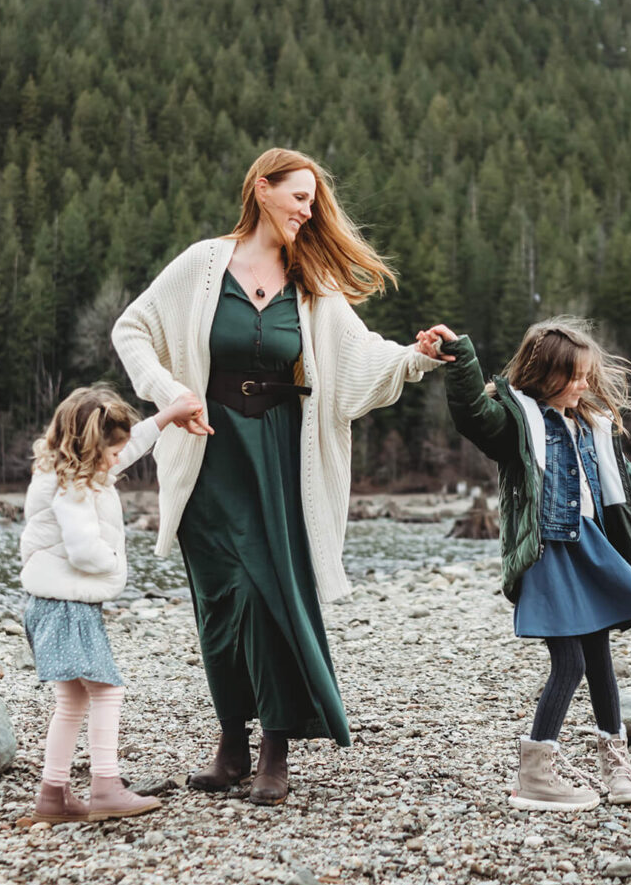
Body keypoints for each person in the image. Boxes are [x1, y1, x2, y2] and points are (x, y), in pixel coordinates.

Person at [111, 148, 451, 806]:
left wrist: (418, 357)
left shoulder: (311, 282)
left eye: (313, 202)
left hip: (280, 457)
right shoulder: (202, 263)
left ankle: (275, 747)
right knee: (220, 602)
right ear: (261, 189)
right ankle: (231, 743)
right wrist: (171, 393)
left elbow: (361, 362)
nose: (308, 210)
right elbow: (133, 329)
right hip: (209, 456)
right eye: (299, 196)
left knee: (270, 597)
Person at [437, 317, 631, 811]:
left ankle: (616, 760)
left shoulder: (592, 428)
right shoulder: (517, 424)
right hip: (548, 554)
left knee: (600, 657)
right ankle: (536, 772)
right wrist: (461, 357)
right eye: (575, 376)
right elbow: (473, 414)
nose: (585, 384)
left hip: (593, 549)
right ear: (545, 376)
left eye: (587, 375)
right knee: (571, 661)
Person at [19, 383, 205, 822]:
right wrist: (114, 566)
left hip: (52, 603)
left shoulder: (71, 471)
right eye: (112, 452)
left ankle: (54, 795)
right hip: (68, 606)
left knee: (72, 701)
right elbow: (83, 550)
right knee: (107, 691)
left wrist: (166, 416)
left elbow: (131, 444)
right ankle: (105, 785)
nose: (118, 459)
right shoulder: (73, 487)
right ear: (89, 448)